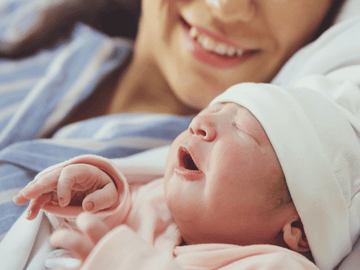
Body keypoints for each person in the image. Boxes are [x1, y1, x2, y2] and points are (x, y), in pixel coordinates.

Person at [0, 0, 359, 262]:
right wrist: (104, 197)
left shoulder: (234, 213)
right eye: (219, 111)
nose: (226, 8)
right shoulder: (21, 23)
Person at [13, 80, 360, 270]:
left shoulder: (276, 265)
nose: (200, 124)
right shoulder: (158, 202)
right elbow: (110, 229)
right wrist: (99, 200)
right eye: (213, 110)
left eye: (241, 129)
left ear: (296, 229)